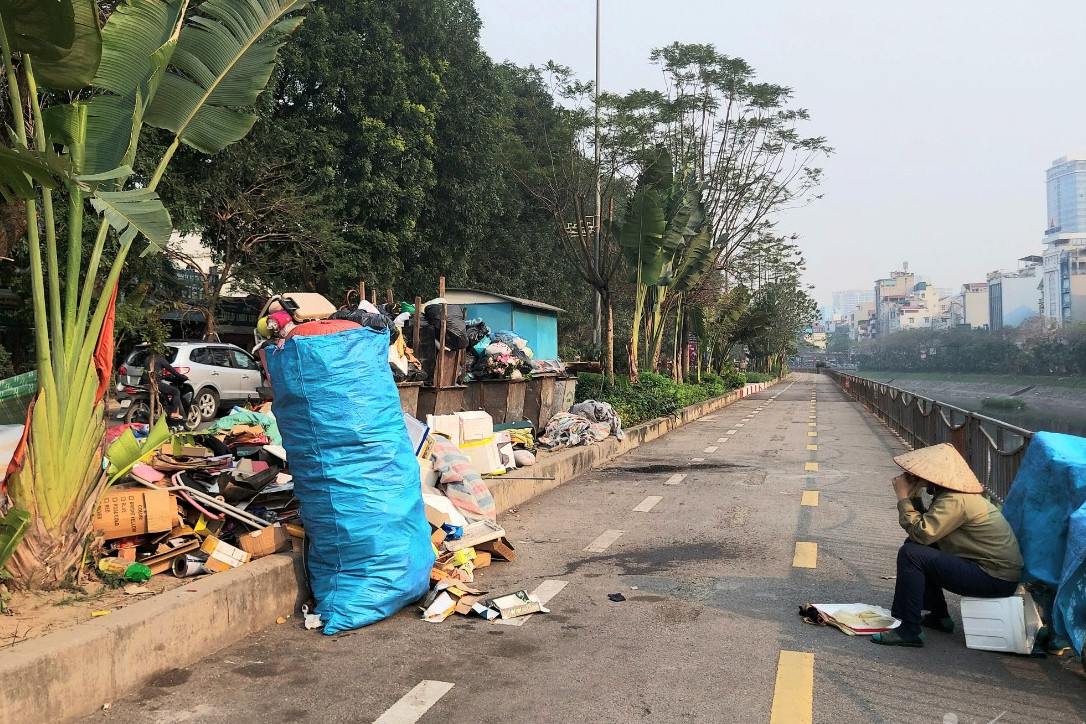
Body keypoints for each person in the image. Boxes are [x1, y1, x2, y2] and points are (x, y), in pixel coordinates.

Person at [872, 443, 1023, 647]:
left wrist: (902, 497)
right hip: (993, 572)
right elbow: (927, 531)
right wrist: (913, 496)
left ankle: (909, 630)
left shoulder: (955, 500)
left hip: (994, 578)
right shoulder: (953, 495)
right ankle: (939, 616)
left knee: (911, 554)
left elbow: (923, 533)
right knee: (916, 547)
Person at [141, 353, 187, 420]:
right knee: (176, 391)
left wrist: (163, 376)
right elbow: (171, 369)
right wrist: (181, 377)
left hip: (145, 383)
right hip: (155, 384)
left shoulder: (148, 358)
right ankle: (174, 413)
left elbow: (150, 372)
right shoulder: (160, 359)